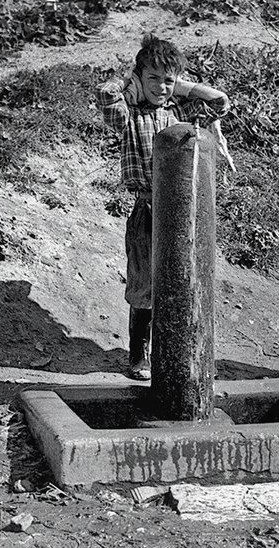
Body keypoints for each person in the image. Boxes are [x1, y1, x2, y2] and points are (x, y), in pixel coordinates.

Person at [97, 34, 229, 380]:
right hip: (147, 207)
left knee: (179, 281)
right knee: (144, 281)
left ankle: (169, 352)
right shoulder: (129, 115)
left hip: (183, 211)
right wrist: (132, 83)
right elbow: (106, 95)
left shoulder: (179, 111)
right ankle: (139, 354)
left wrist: (181, 86)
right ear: (140, 79)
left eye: (167, 80)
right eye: (153, 78)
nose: (160, 87)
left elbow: (219, 102)